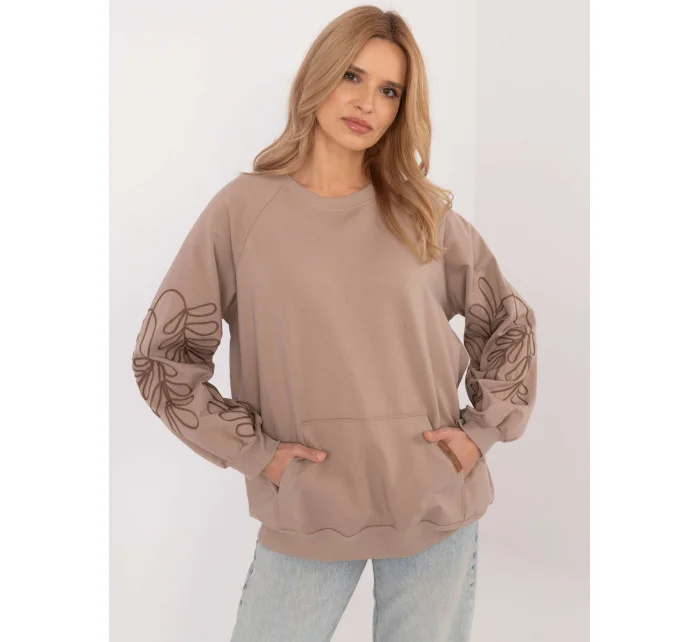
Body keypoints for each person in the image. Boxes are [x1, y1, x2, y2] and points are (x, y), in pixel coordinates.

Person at [130, 6, 537, 641]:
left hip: (433, 500)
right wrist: (258, 454)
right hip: (309, 504)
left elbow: (508, 321)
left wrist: (479, 433)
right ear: (318, 75)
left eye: (389, 90)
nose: (366, 102)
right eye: (352, 75)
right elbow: (163, 356)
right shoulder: (243, 211)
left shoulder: (422, 215)